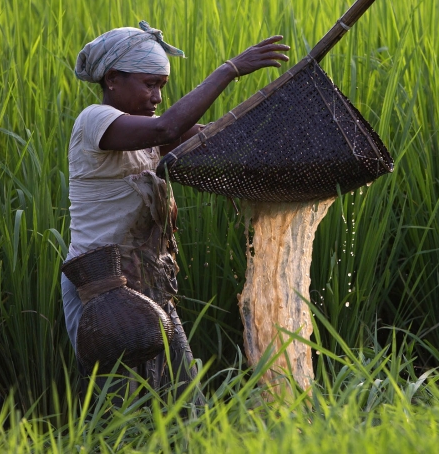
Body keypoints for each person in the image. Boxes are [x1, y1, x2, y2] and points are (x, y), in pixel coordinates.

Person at [62, 21, 289, 398]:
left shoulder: (148, 130)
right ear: (113, 80)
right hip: (101, 286)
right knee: (120, 403)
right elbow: (167, 130)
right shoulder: (95, 121)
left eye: (162, 87)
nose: (157, 97)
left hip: (147, 282)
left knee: (184, 399)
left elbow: (209, 137)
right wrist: (229, 70)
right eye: (149, 84)